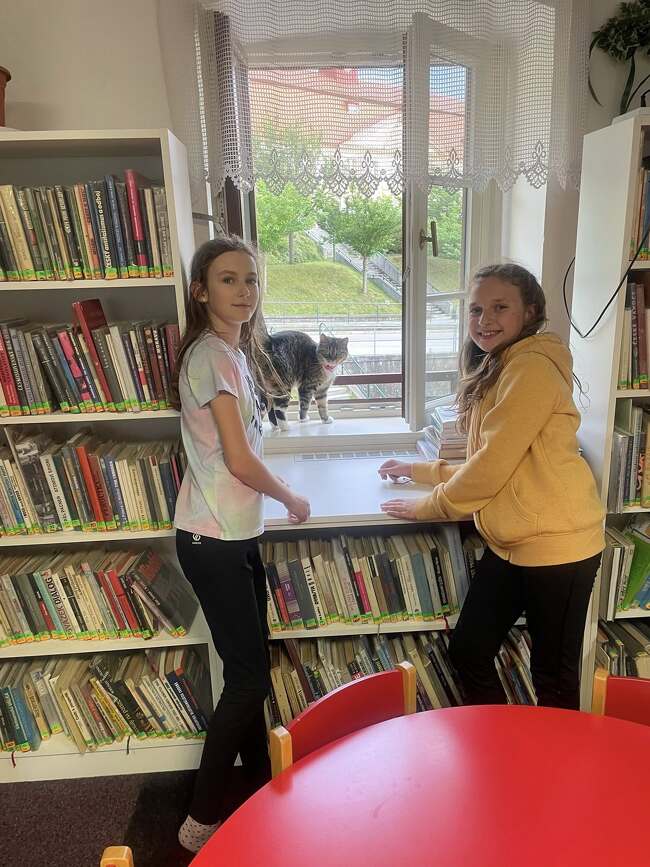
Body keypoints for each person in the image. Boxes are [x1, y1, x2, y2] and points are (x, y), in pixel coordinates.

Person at [378, 263, 604, 711]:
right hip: (511, 543)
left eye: (500, 307)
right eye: (476, 309)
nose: (484, 320)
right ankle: (501, 741)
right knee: (468, 652)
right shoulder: (502, 364)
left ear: (530, 311)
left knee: (554, 681)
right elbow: (492, 458)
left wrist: (429, 505)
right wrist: (422, 470)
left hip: (559, 546)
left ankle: (550, 758)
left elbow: (492, 466)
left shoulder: (531, 368)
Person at [172, 236, 310, 854]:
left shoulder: (230, 352)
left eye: (251, 279)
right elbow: (237, 458)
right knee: (249, 679)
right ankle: (199, 821)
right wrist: (290, 497)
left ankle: (258, 788)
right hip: (215, 538)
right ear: (201, 291)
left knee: (252, 668)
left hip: (234, 531)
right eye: (228, 279)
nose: (244, 291)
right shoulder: (212, 355)